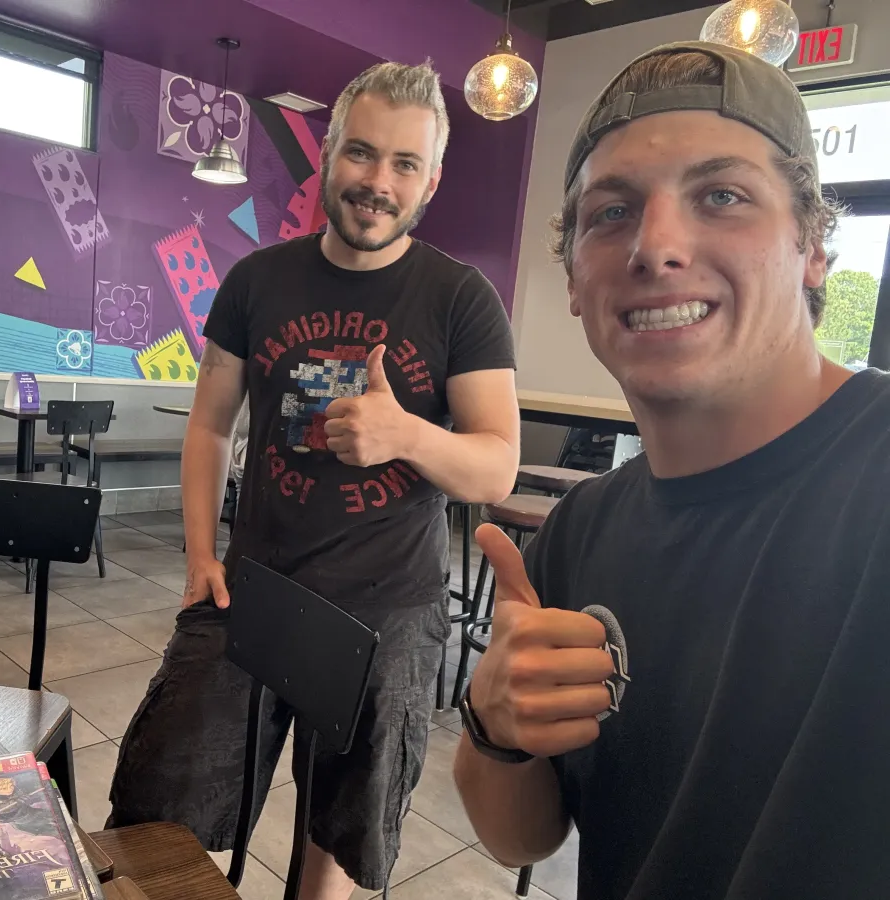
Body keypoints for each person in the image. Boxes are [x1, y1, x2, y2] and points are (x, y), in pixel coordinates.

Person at [453, 41, 890, 898]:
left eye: (721, 196)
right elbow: (522, 838)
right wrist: (496, 725)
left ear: (811, 247)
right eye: (612, 212)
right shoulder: (582, 532)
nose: (655, 246)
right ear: (573, 280)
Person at [108, 60, 521, 898]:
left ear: (431, 180)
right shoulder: (256, 281)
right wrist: (200, 555)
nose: (378, 183)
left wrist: (405, 434)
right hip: (253, 588)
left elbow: (497, 463)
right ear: (328, 154)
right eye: (361, 153)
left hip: (389, 609)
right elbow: (210, 424)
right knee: (158, 808)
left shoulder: (462, 299)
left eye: (404, 164)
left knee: (337, 832)